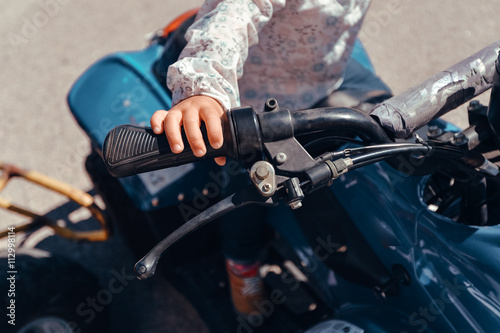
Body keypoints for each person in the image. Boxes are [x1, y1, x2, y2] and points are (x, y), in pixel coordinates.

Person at [150, 0, 390, 317]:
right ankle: (241, 263)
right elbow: (233, 14)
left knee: (396, 126)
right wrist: (202, 86)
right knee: (250, 189)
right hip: (252, 97)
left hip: (326, 70)